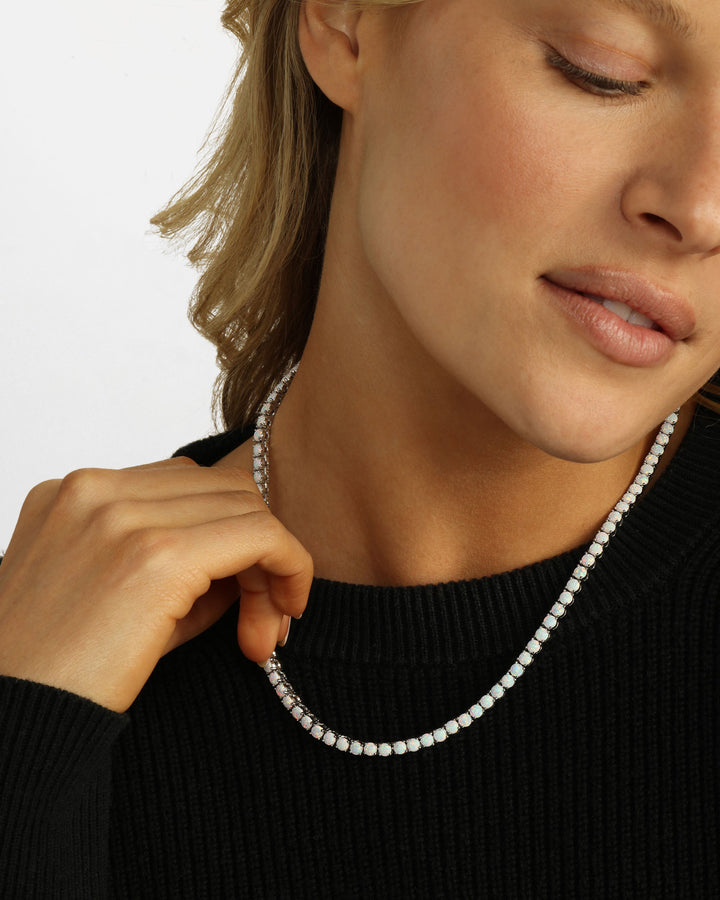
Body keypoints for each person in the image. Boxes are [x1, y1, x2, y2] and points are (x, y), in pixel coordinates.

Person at [1, 0, 719, 895]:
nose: (702, 208)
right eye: (601, 70)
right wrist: (24, 726)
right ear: (346, 23)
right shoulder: (51, 651)